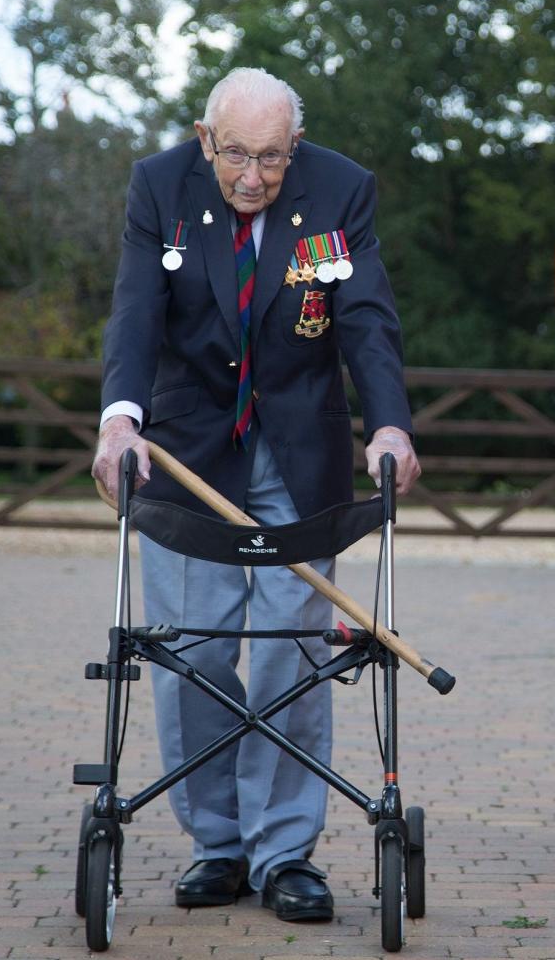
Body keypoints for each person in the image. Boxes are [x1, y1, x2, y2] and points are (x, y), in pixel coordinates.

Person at [92, 67, 420, 922]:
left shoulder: (340, 191)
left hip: (299, 450)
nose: (252, 175)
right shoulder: (159, 187)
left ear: (294, 148)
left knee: (289, 650)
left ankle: (283, 852)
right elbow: (134, 311)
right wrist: (120, 419)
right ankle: (218, 843)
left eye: (271, 157)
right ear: (206, 139)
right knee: (194, 651)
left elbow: (367, 320)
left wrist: (390, 425)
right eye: (236, 152)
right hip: (192, 450)